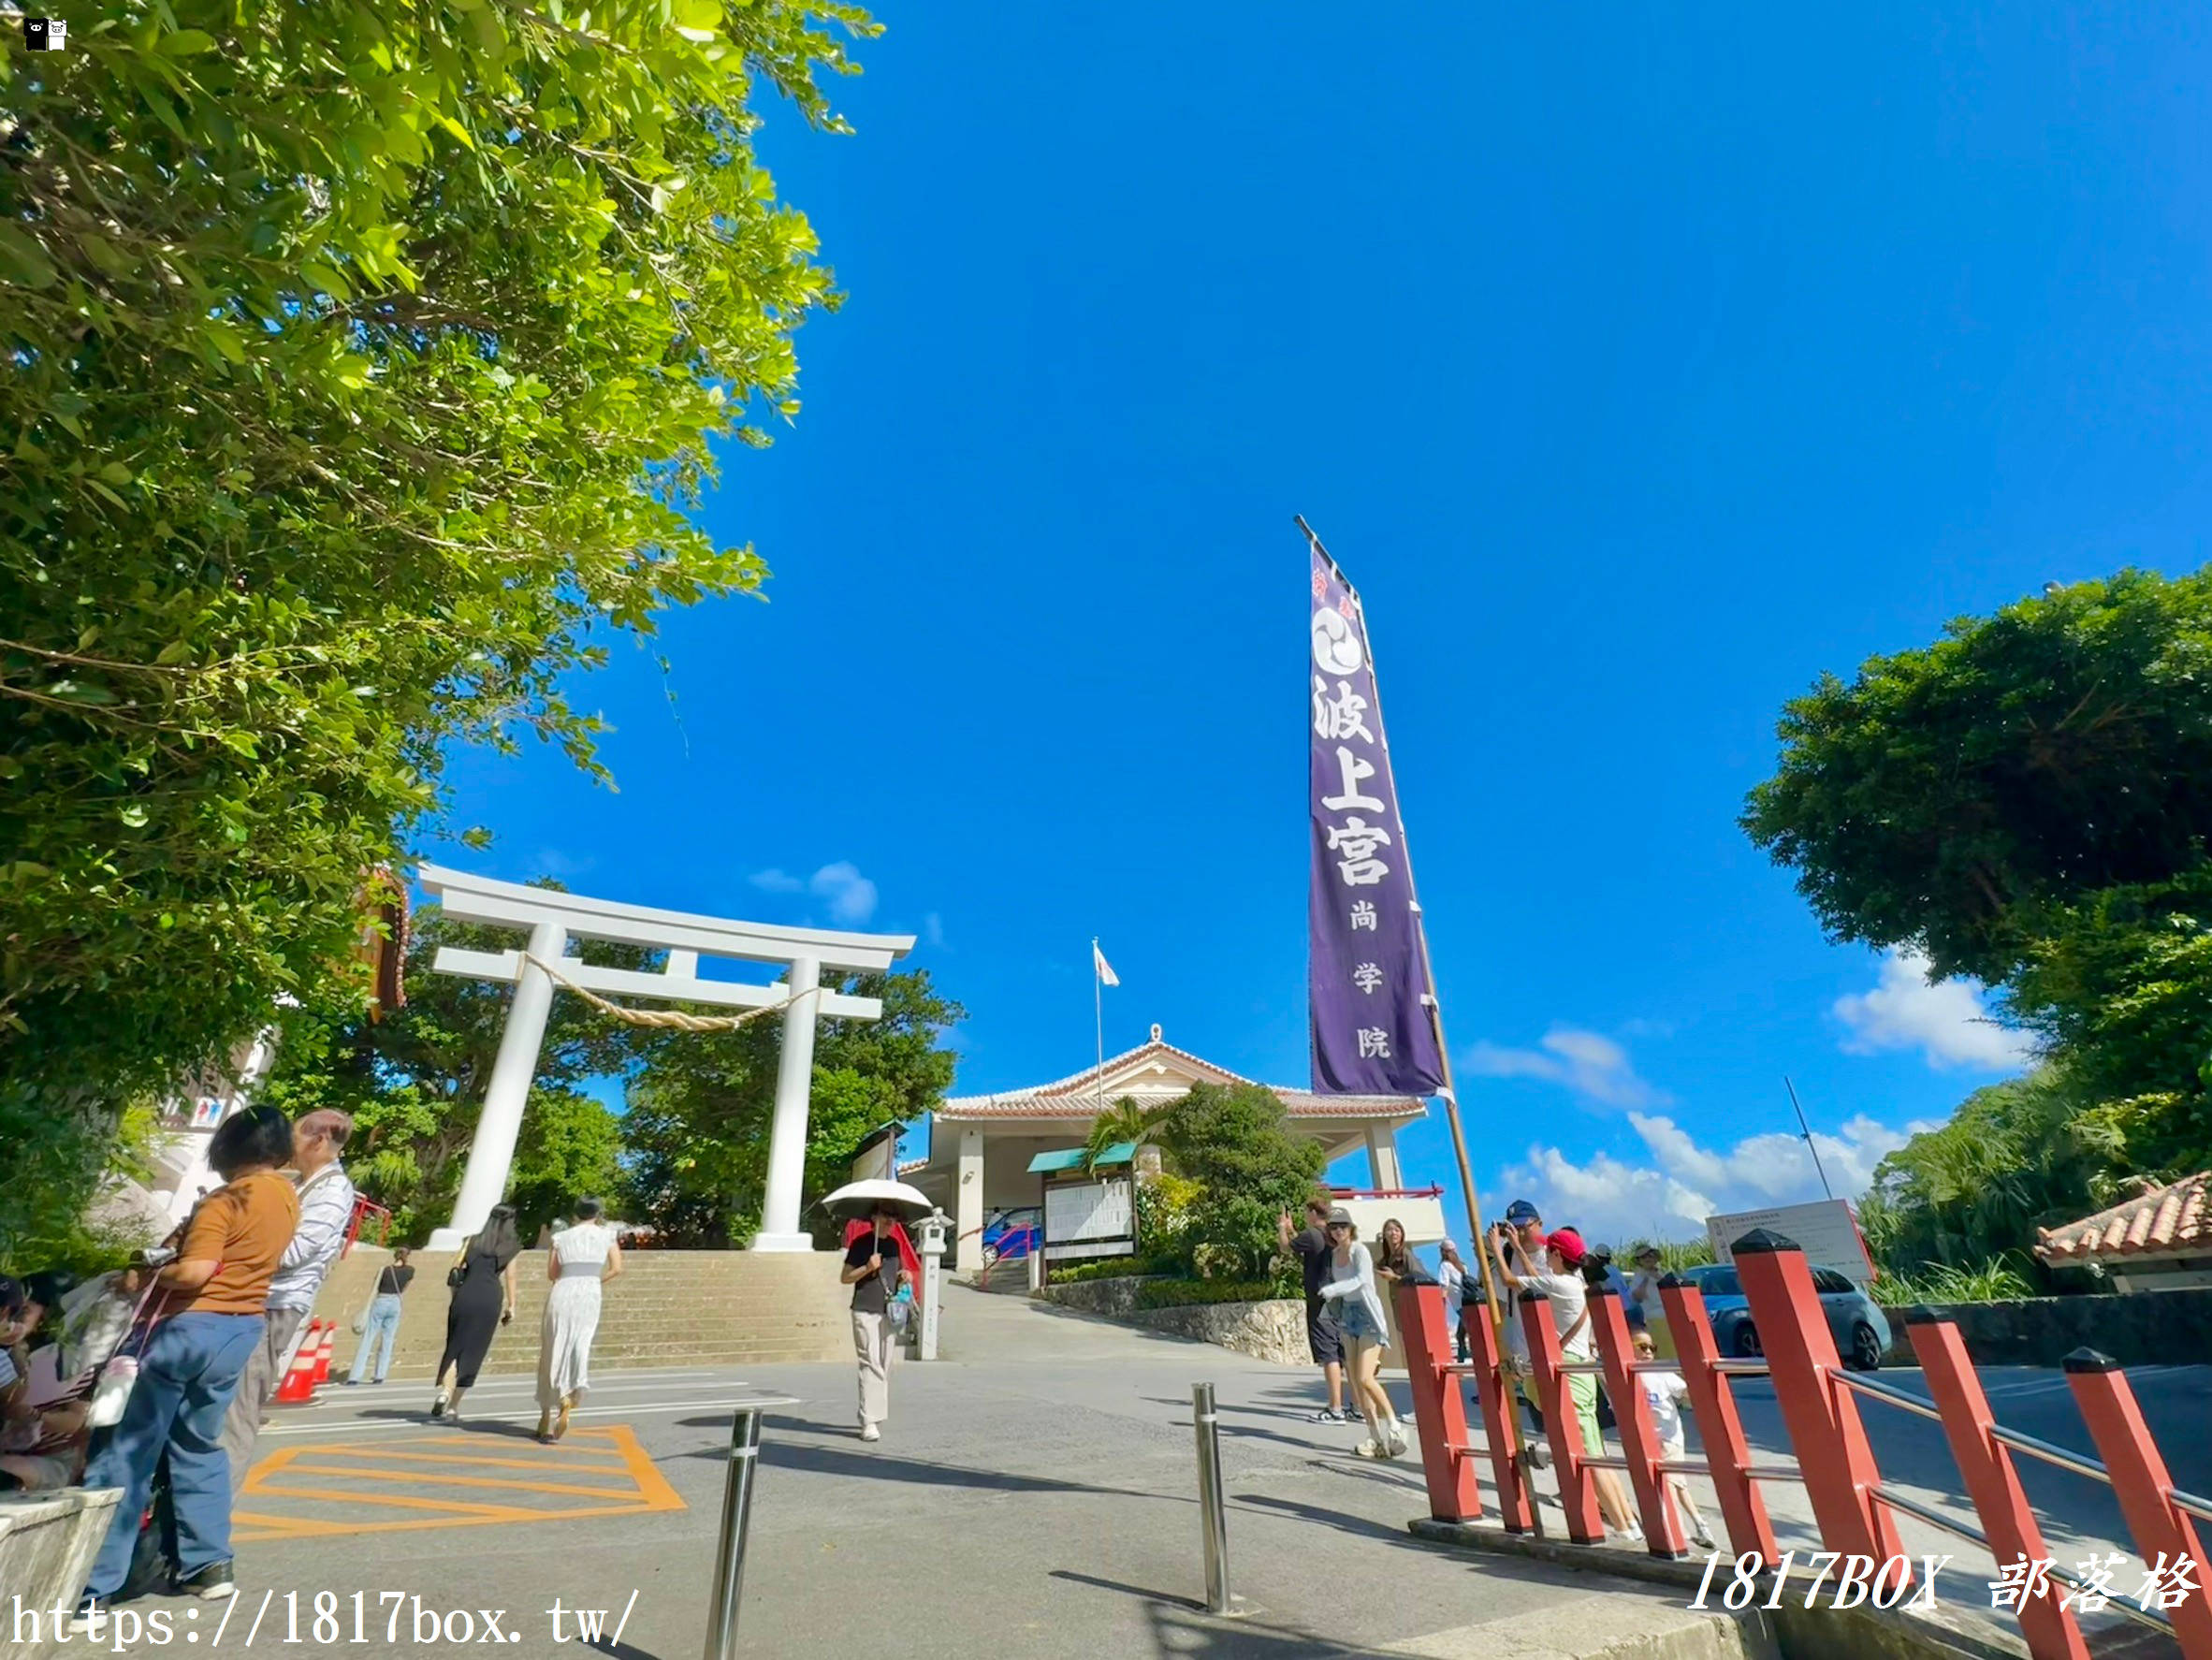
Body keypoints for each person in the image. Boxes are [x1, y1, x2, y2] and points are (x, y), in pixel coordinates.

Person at [73, 1104, 299, 1624]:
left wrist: (142, 1279)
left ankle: (95, 1586)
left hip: (185, 1328)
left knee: (127, 1450)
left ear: (229, 1147)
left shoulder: (227, 1198)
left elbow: (197, 1271)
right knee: (198, 1445)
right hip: (239, 1328)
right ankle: (209, 1566)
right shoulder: (286, 1196)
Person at [221, 1108, 355, 1493]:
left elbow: (295, 1252)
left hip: (276, 1305)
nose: (287, 1143)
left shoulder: (332, 1191)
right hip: (253, 1298)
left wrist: (228, 1255)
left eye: (295, 1135)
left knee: (238, 1410)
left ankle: (208, 1524)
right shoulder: (296, 1184)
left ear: (320, 1140)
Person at [1492, 1222, 1642, 1541]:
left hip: (1568, 1371)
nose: (1545, 1254)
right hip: (1583, 1369)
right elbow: (1536, 1280)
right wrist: (1518, 1248)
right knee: (1595, 1450)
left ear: (1556, 1254)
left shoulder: (1561, 1284)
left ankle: (1625, 1529)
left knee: (1588, 1453)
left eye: (1549, 1251)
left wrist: (1495, 1248)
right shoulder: (1572, 1281)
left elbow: (1509, 1280)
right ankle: (1628, 1522)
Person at [1318, 1208, 1406, 1460]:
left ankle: (1395, 1427)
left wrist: (1333, 1289)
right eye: (1334, 1227)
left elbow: (1361, 1280)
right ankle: (1375, 1438)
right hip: (1348, 1315)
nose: (1338, 1231)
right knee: (1357, 1384)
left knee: (1367, 1378)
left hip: (1368, 1317)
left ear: (1351, 1228)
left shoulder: (1359, 1250)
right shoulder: (1335, 1254)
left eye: (1343, 1226)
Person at [536, 1199, 621, 1442]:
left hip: (562, 1290)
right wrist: (595, 1280)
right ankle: (571, 1392)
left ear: (575, 1214)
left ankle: (545, 1411)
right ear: (598, 1213)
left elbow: (552, 1273)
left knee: (553, 1347)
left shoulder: (561, 1238)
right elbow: (617, 1268)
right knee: (579, 1345)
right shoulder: (607, 1236)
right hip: (589, 1292)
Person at [432, 1204, 521, 1421]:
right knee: (474, 1352)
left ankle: (445, 1392)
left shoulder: (470, 1241)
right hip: (489, 1298)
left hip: (465, 1294)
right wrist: (512, 1305)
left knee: (455, 1346)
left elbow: (455, 1270)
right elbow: (511, 1277)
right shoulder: (511, 1247)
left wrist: (457, 1294)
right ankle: (454, 1406)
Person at [1632, 1327, 1715, 1548]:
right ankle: (1697, 1524)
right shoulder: (1629, 1374)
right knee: (1675, 1484)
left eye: (1652, 1347)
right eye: (1642, 1346)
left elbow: (1687, 1392)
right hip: (1647, 1439)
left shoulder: (1662, 1373)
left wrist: (1696, 1382)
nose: (1648, 1351)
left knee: (1671, 1482)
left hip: (1669, 1437)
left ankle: (1683, 1529)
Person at [842, 1205, 905, 1442]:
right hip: (864, 1309)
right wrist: (867, 1268)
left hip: (889, 1310)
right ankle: (868, 1420)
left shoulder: (894, 1245)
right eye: (887, 1217)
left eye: (894, 1218)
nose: (891, 1222)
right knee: (870, 1362)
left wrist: (903, 1276)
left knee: (885, 1364)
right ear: (874, 1218)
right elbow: (845, 1277)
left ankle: (875, 1416)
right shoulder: (861, 1244)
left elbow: (894, 1276)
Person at [1493, 1199, 1549, 1434]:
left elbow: (1538, 1286)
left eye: (1524, 1226)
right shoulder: (1507, 1258)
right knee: (1543, 1425)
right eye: (1513, 1228)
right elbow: (1500, 1302)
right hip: (1523, 1353)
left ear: (1539, 1224)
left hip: (1554, 1347)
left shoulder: (1554, 1254)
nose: (1520, 1233)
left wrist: (1513, 1248)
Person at [345, 1247, 415, 1386]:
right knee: (388, 1339)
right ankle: (380, 1375)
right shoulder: (410, 1271)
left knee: (368, 1338)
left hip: (381, 1300)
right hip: (396, 1302)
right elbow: (405, 1288)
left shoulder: (385, 1270)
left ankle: (355, 1376)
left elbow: (376, 1287)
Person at [1434, 1240, 1470, 1363]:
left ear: (1443, 1251)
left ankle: (1464, 1358)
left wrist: (1441, 1306)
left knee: (1468, 1332)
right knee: (1460, 1334)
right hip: (1467, 1301)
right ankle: (1462, 1359)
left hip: (1459, 1304)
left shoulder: (1445, 1265)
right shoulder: (1463, 1266)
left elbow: (1443, 1285)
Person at [1626, 1245, 1666, 1333]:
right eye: (1643, 1257)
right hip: (1651, 1318)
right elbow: (1638, 1297)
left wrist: (1659, 1277)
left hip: (1666, 1315)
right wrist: (1646, 1278)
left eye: (1650, 1256)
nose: (1647, 1258)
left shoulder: (1661, 1273)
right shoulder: (1638, 1277)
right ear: (1639, 1261)